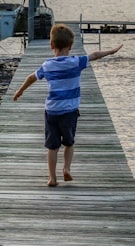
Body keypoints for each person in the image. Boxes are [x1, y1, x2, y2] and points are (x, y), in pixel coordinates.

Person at [11, 24, 122, 187]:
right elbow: (95, 55)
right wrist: (112, 51)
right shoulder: (76, 62)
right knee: (69, 143)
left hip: (52, 111)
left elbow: (31, 77)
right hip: (69, 112)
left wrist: (20, 90)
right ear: (70, 47)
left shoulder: (47, 65)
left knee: (52, 146)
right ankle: (67, 168)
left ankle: (52, 178)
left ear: (51, 45)